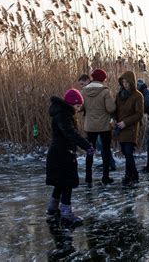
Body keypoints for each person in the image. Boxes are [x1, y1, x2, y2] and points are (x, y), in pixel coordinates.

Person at [46, 89, 94, 224]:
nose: (79, 109)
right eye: (78, 106)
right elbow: (70, 133)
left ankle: (52, 208)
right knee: (66, 183)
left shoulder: (62, 113)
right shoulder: (63, 115)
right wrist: (86, 145)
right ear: (72, 104)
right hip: (62, 155)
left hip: (59, 153)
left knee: (60, 183)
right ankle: (66, 214)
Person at [81, 69, 116, 187]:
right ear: (103, 79)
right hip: (104, 126)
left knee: (90, 151)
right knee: (105, 151)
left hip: (90, 126)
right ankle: (105, 177)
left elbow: (80, 107)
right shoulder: (105, 91)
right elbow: (111, 108)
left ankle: (88, 177)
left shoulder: (84, 91)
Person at [115, 71, 144, 186]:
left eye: (127, 82)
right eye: (123, 82)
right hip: (120, 127)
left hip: (130, 127)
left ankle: (129, 176)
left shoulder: (137, 95)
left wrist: (125, 123)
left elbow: (139, 114)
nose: (125, 84)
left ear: (132, 82)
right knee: (125, 152)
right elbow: (115, 110)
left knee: (128, 152)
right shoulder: (119, 95)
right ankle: (135, 175)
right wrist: (113, 120)